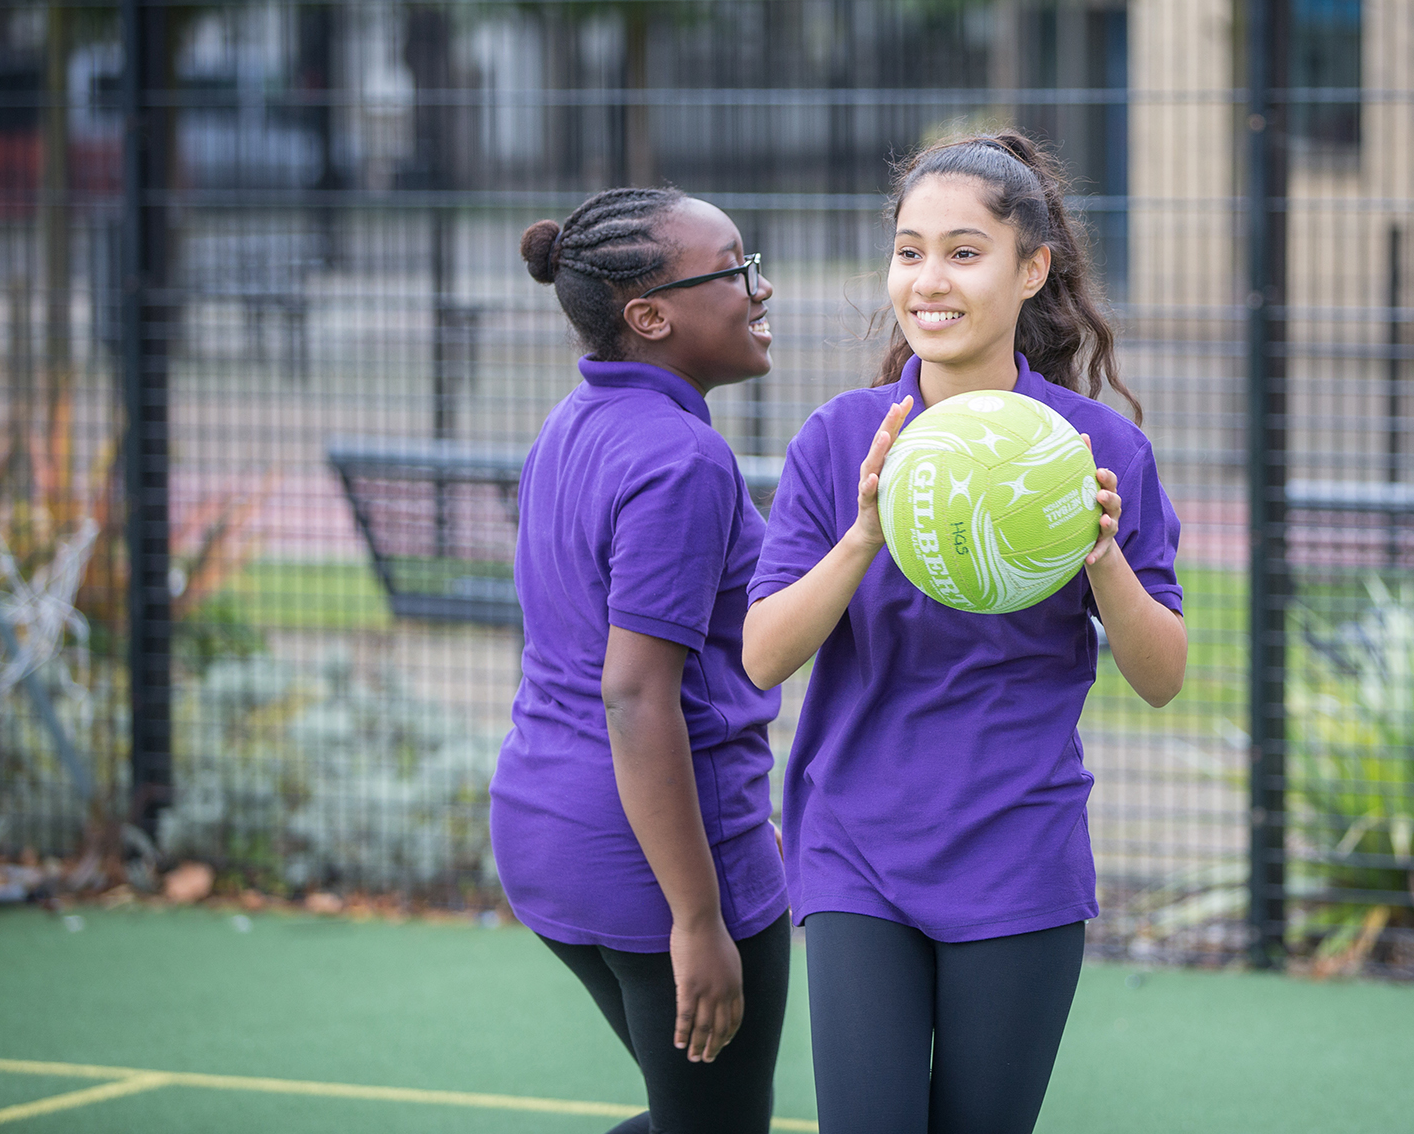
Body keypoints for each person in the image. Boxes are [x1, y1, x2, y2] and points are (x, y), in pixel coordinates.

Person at [742, 133, 1187, 1134]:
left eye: (962, 251)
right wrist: (864, 532)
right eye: (909, 251)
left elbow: (1161, 674)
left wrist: (1101, 554)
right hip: (858, 850)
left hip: (1018, 851)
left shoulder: (1101, 451)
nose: (928, 280)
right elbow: (763, 653)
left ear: (1032, 268)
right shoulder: (840, 437)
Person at [490, 187, 789, 1134]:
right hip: (659, 863)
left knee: (694, 1120)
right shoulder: (682, 460)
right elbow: (633, 694)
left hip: (545, 832)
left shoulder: (570, 423)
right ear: (649, 316)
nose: (760, 286)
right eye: (735, 269)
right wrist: (698, 918)